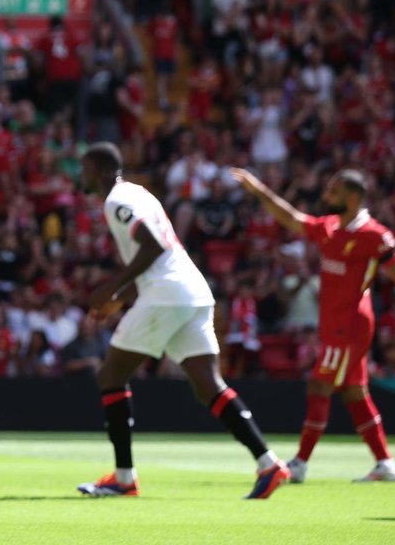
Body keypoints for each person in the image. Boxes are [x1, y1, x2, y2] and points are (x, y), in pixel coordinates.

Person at [76, 143, 289, 499]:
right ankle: (268, 463)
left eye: (83, 168)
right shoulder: (139, 194)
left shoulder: (116, 201)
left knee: (111, 375)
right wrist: (120, 299)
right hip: (191, 291)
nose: (79, 176)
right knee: (209, 385)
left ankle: (124, 478)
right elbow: (161, 254)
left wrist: (108, 289)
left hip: (166, 295)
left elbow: (153, 247)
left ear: (97, 170)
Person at [230, 167, 395, 483]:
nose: (326, 196)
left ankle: (300, 462)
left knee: (319, 386)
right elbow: (290, 218)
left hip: (351, 327)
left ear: (353, 198)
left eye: (334, 192)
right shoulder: (329, 227)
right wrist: (259, 190)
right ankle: (385, 463)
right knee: (354, 393)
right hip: (333, 325)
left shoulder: (374, 236)